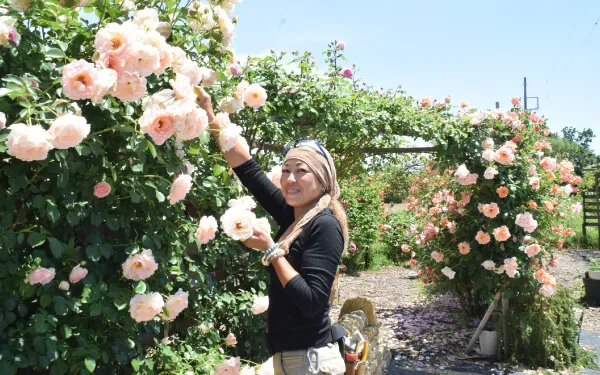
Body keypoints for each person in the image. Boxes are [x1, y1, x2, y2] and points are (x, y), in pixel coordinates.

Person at [196, 87, 348, 375]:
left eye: (301, 171)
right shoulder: (293, 215)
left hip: (310, 363)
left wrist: (272, 250)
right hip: (293, 360)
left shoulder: (324, 224)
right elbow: (247, 168)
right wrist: (208, 112)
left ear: (323, 179)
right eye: (286, 170)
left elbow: (313, 302)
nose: (290, 179)